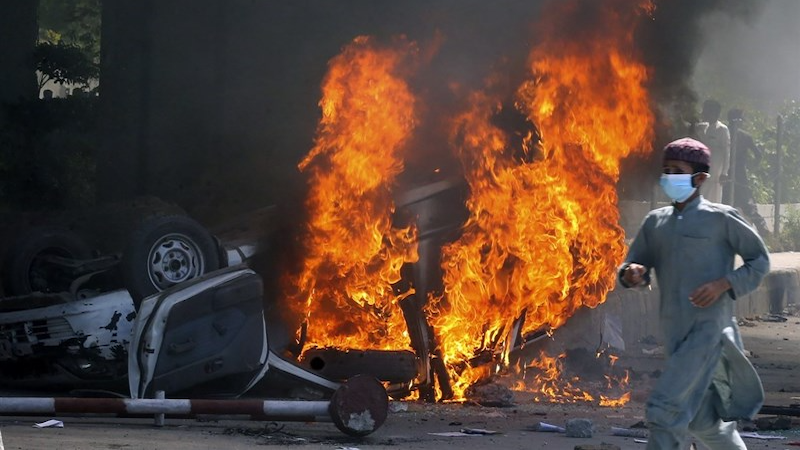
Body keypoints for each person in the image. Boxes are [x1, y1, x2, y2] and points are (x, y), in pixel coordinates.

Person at [619, 137, 770, 449]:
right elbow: (634, 265)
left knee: (664, 409)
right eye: (666, 170)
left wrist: (724, 283)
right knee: (704, 422)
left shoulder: (721, 218)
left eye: (677, 171)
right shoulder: (655, 222)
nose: (669, 177)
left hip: (709, 333)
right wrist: (632, 273)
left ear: (700, 179)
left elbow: (759, 261)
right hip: (674, 333)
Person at [726, 108, 770, 237]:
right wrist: (751, 167)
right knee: (745, 203)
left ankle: (762, 229)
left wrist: (750, 167)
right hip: (734, 172)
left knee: (743, 202)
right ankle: (761, 229)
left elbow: (758, 155)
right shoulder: (740, 135)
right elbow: (758, 155)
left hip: (730, 172)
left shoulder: (726, 133)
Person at [695, 100, 731, 203]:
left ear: (715, 113)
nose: (704, 113)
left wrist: (724, 172)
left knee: (712, 203)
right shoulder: (700, 128)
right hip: (699, 172)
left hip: (715, 175)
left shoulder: (722, 130)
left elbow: (726, 152)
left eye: (707, 111)